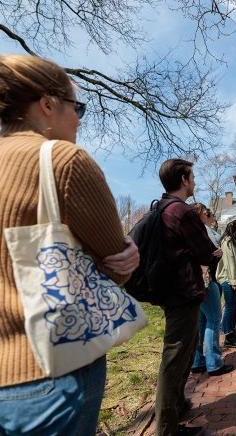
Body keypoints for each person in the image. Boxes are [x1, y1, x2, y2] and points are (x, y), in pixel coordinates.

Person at [0, 55, 139, 435]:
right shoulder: (63, 160)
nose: (79, 119)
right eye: (77, 107)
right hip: (48, 371)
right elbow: (117, 260)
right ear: (47, 104)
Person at [155, 159, 219, 436]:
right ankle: (167, 428)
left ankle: (178, 406)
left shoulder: (160, 207)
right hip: (184, 291)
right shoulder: (182, 212)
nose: (194, 183)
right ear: (183, 180)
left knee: (181, 354)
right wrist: (209, 253)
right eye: (192, 178)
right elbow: (206, 251)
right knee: (175, 357)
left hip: (171, 290)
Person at [190, 204, 233, 376]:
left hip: (196, 283)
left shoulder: (190, 233)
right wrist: (215, 255)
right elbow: (204, 257)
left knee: (201, 321)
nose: (211, 215)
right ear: (200, 216)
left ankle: (198, 361)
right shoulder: (202, 233)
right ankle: (214, 363)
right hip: (207, 282)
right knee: (214, 320)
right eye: (207, 213)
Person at [216, 220, 236, 348]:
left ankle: (232, 332)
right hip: (229, 280)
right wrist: (234, 281)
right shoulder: (227, 241)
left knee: (233, 308)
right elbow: (229, 262)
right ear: (232, 224)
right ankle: (228, 334)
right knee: (230, 307)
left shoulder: (234, 240)